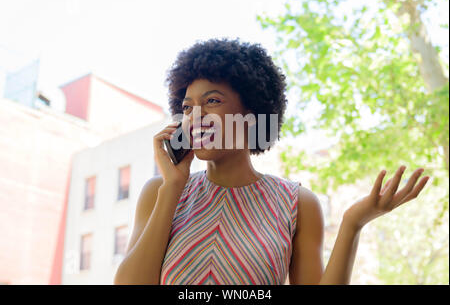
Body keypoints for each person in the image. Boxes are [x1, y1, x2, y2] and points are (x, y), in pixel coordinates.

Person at [113, 38, 430, 285]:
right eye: (187, 107)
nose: (195, 116)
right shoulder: (160, 192)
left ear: (251, 117)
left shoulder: (298, 204)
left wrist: (352, 223)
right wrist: (173, 187)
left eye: (212, 101)